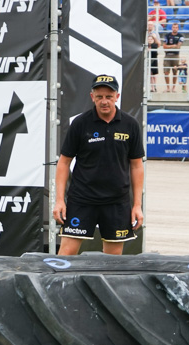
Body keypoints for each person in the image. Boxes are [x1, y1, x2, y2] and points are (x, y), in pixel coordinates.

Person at [53, 75, 144, 256]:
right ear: (92, 97)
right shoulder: (80, 123)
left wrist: (137, 205)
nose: (104, 101)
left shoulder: (130, 125)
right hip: (82, 199)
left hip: (117, 202)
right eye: (99, 96)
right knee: (66, 255)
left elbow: (136, 166)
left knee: (112, 261)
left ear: (117, 97)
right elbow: (63, 163)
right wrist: (59, 200)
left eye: (109, 97)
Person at [162, 21, 184, 93]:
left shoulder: (181, 36)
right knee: (166, 72)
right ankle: (168, 87)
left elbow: (178, 46)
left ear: (178, 28)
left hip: (175, 56)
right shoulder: (167, 35)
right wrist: (172, 46)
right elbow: (164, 46)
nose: (175, 29)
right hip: (167, 55)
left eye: (176, 27)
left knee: (175, 72)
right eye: (174, 27)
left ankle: (173, 88)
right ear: (172, 28)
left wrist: (169, 46)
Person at [147, 23, 160, 93]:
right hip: (148, 60)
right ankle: (150, 87)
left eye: (151, 25)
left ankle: (154, 86)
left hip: (153, 60)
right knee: (149, 74)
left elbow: (158, 44)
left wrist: (154, 37)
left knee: (153, 74)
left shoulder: (154, 45)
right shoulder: (147, 46)